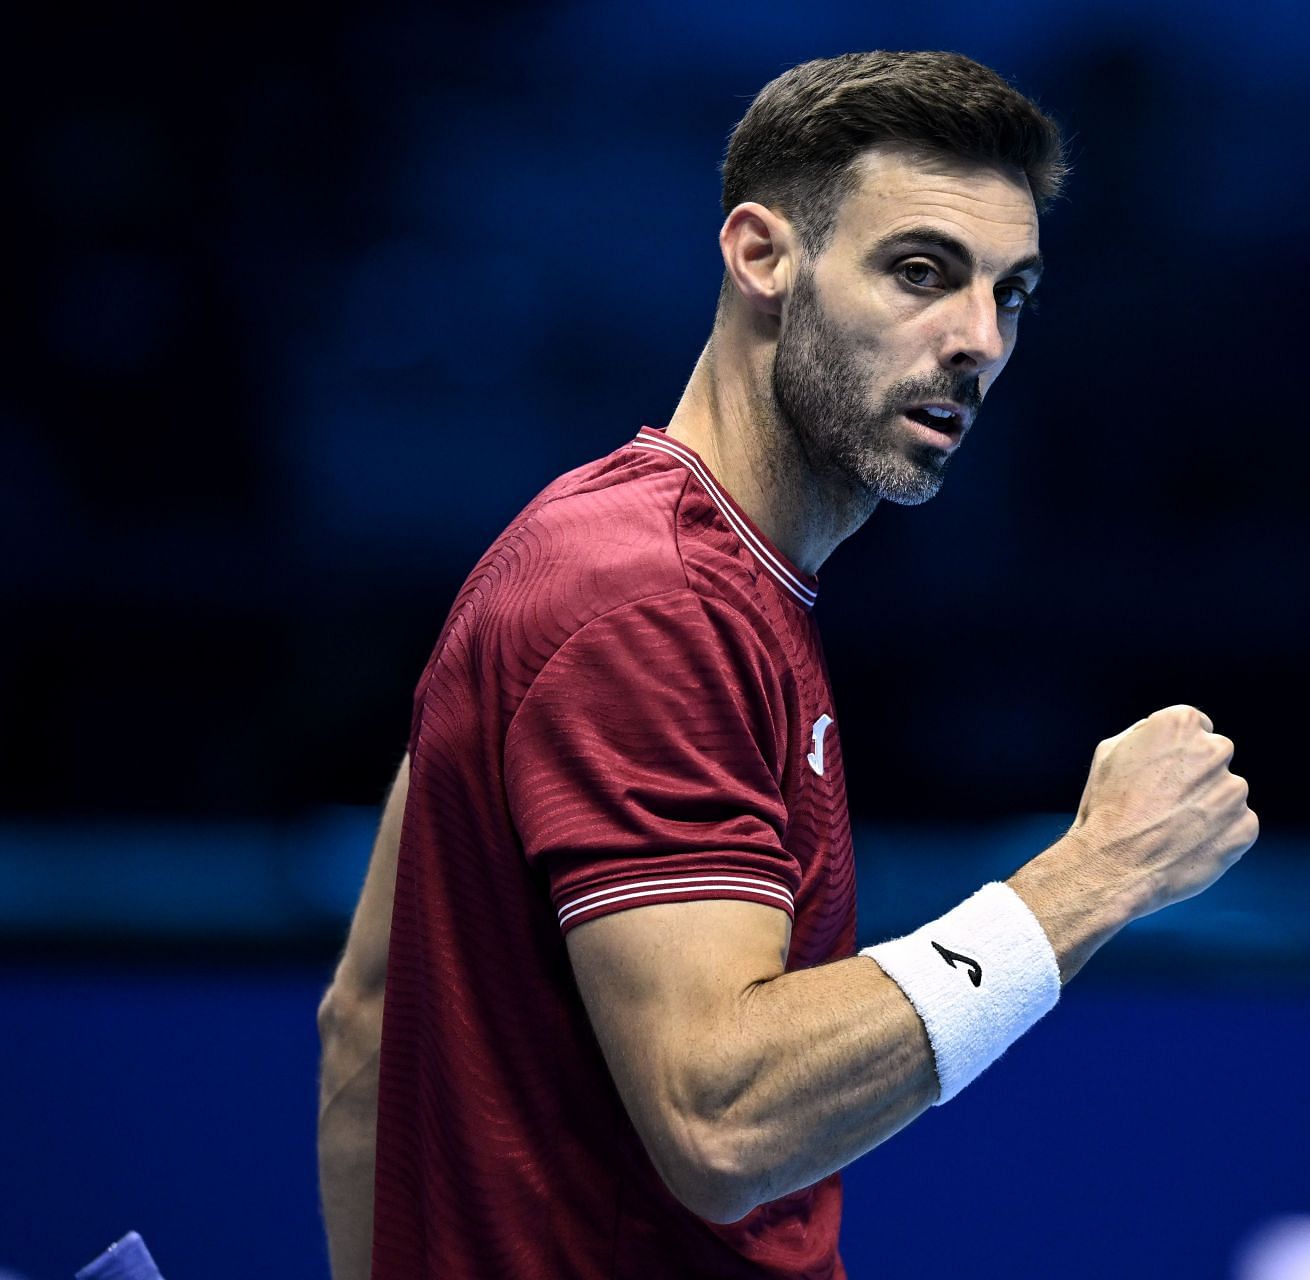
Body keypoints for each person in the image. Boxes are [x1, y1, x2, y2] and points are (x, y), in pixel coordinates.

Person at [316, 49, 1257, 1280]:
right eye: (920, 272)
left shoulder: (621, 553)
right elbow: (723, 1116)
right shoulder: (645, 604)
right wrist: (1095, 875)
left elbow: (364, 1028)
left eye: (1010, 293)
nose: (978, 338)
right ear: (763, 255)